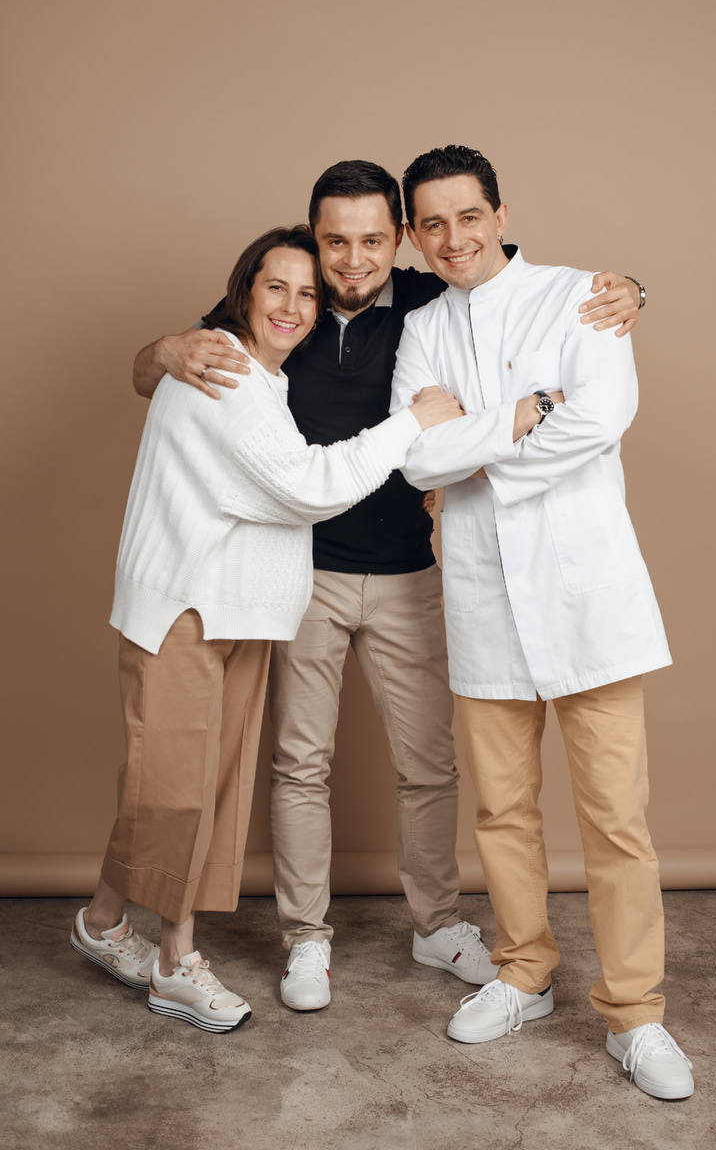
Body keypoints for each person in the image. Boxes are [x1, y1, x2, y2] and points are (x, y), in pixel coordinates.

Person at [132, 161, 646, 1013]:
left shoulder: (428, 298)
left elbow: (507, 284)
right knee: (300, 763)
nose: (354, 258)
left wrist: (632, 291)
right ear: (313, 237)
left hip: (410, 571)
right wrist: (158, 350)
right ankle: (306, 936)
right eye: (336, 241)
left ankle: (436, 923)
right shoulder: (281, 305)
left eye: (374, 239)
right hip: (303, 572)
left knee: (430, 764)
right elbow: (155, 373)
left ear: (399, 238)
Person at [71, 225, 462, 1034]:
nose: (293, 305)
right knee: (178, 792)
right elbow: (308, 486)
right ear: (243, 292)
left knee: (194, 788)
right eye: (276, 287)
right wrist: (413, 422)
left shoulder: (265, 378)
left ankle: (103, 923)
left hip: (237, 612)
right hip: (185, 610)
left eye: (307, 293)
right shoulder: (223, 370)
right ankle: (175, 963)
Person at [390, 145, 694, 1101]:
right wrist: (522, 415)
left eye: (468, 216)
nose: (453, 238)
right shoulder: (422, 328)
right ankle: (523, 971)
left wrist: (476, 449)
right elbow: (416, 460)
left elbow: (603, 417)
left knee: (616, 817)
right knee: (503, 811)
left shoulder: (582, 296)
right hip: (483, 599)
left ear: (500, 214)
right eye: (432, 223)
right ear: (414, 234)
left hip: (586, 598)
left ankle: (636, 1013)